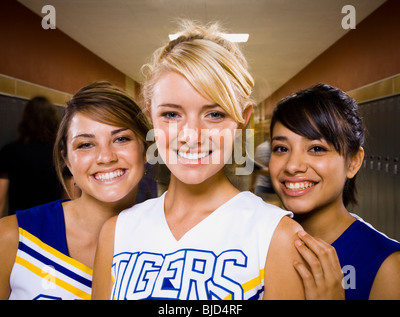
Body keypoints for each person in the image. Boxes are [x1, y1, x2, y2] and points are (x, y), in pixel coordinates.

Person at [92, 21, 305, 300]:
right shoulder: (116, 232)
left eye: (214, 114)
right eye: (171, 114)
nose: (191, 136)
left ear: (242, 120)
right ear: (151, 118)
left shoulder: (278, 236)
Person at [0, 82, 151, 300]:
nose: (106, 157)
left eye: (121, 139)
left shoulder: (169, 242)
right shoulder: (12, 238)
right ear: (67, 161)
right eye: (86, 145)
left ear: (145, 150)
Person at [269, 83, 400, 299]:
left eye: (317, 149)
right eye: (281, 149)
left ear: (353, 162)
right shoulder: (258, 237)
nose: (292, 166)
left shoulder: (386, 265)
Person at [0, 96, 62, 217]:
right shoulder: (61, 153)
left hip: (20, 224)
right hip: (53, 221)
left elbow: (0, 199)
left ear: (26, 120)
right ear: (53, 120)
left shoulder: (10, 151)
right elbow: (70, 196)